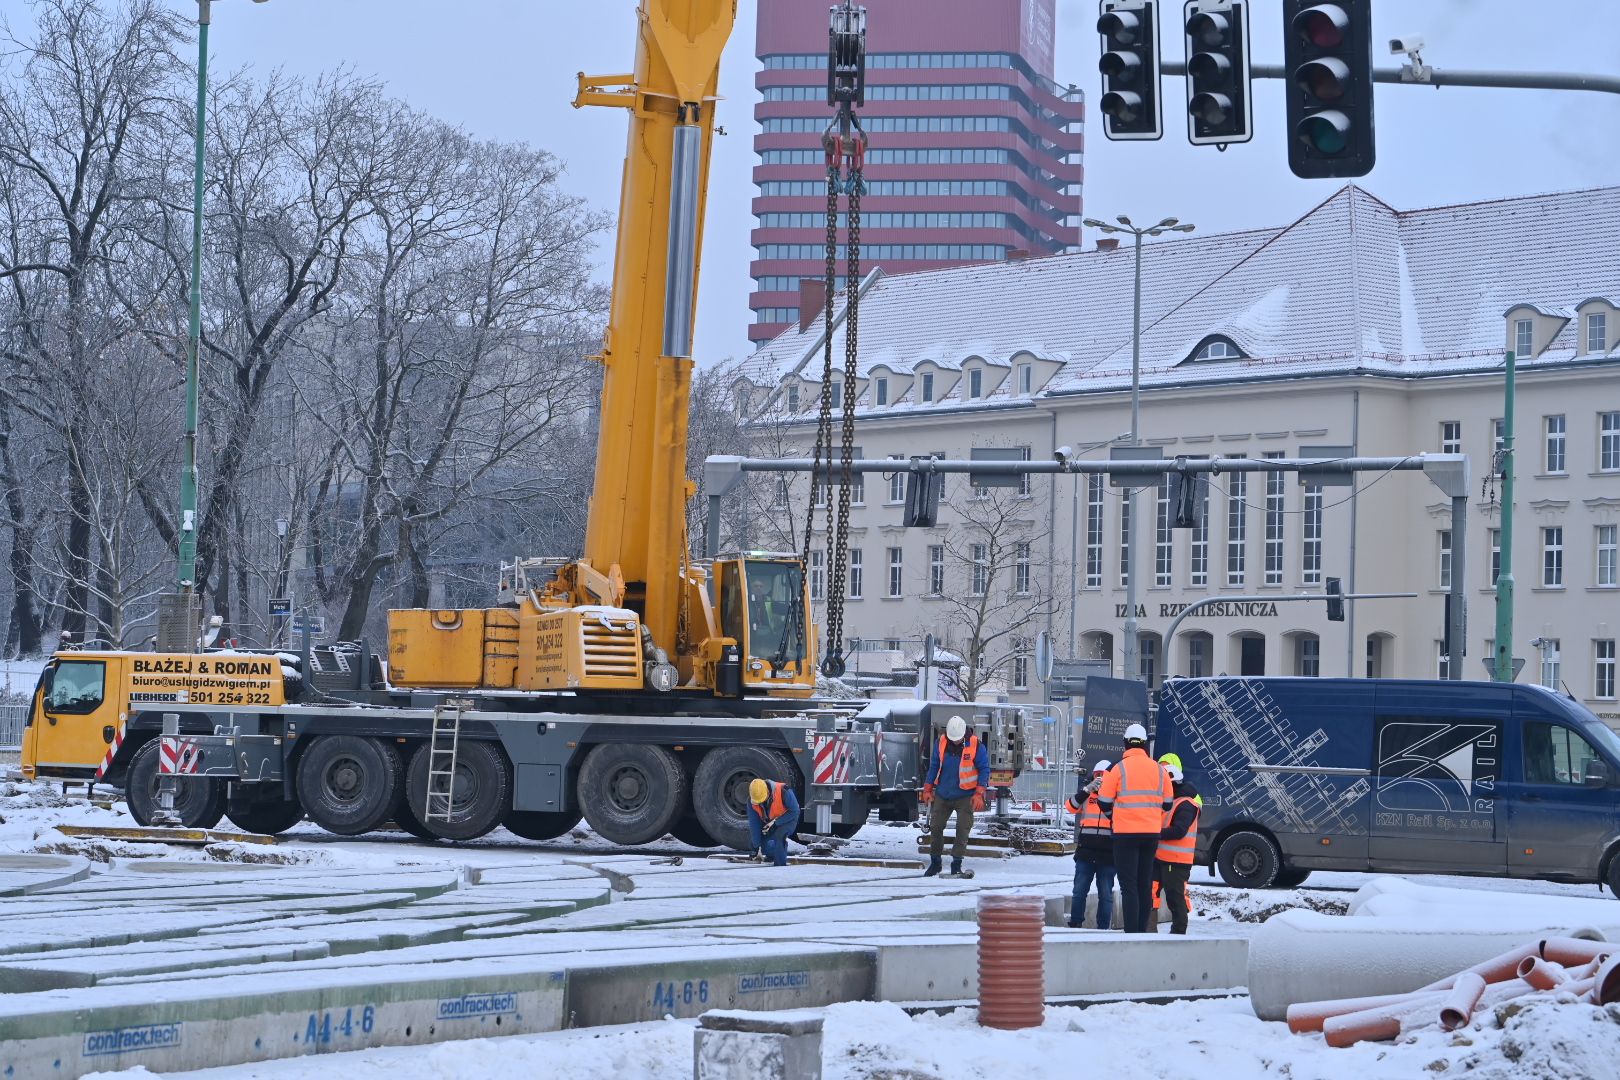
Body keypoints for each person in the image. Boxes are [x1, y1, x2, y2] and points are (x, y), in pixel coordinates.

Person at [1097, 722, 1173, 934]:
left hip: (1125, 835)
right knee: (1144, 883)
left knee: (1128, 885)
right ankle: (1142, 931)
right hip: (1151, 834)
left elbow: (1103, 801)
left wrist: (1115, 816)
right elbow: (1167, 803)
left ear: (1125, 743)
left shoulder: (1116, 768)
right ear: (1145, 744)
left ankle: (1131, 933)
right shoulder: (1159, 769)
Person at [921, 714, 990, 877]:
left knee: (962, 828)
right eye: (953, 738)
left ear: (964, 733)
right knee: (936, 826)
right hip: (943, 794)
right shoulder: (941, 743)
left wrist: (979, 793)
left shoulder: (976, 745)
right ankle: (935, 862)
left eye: (958, 739)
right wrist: (927, 789)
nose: (955, 741)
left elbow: (984, 770)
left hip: (966, 795)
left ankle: (956, 863)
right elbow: (934, 766)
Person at [1066, 759, 1116, 929]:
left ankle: (1103, 926)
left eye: (1104, 776)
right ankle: (1075, 922)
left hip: (1108, 854)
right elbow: (1071, 807)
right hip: (1086, 852)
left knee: (1106, 894)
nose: (1101, 779)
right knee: (1079, 891)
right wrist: (1087, 790)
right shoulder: (1086, 796)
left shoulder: (1116, 796)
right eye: (1098, 776)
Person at [1156, 763, 1202, 935]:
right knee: (1168, 895)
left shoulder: (1186, 804)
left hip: (1175, 860)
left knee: (1175, 897)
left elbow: (1179, 831)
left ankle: (1179, 931)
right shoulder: (1172, 802)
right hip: (1163, 858)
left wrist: (1154, 833)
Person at [748, 777, 801, 866]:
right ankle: (775, 852)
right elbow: (754, 823)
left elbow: (795, 812)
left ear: (768, 792)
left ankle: (779, 866)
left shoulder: (784, 791)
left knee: (780, 836)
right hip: (769, 821)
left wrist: (776, 823)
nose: (760, 803)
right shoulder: (752, 800)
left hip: (788, 819)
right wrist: (758, 848)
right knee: (753, 845)